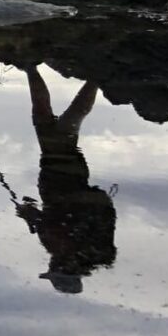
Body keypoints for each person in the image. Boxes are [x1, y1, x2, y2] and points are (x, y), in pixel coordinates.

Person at [16, 67, 116, 293]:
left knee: (50, 121)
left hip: (55, 172)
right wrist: (30, 212)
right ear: (69, 268)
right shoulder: (79, 245)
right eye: (55, 268)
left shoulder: (62, 247)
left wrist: (29, 211)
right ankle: (94, 77)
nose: (51, 264)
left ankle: (92, 79)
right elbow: (50, 216)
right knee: (57, 122)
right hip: (64, 174)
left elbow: (42, 216)